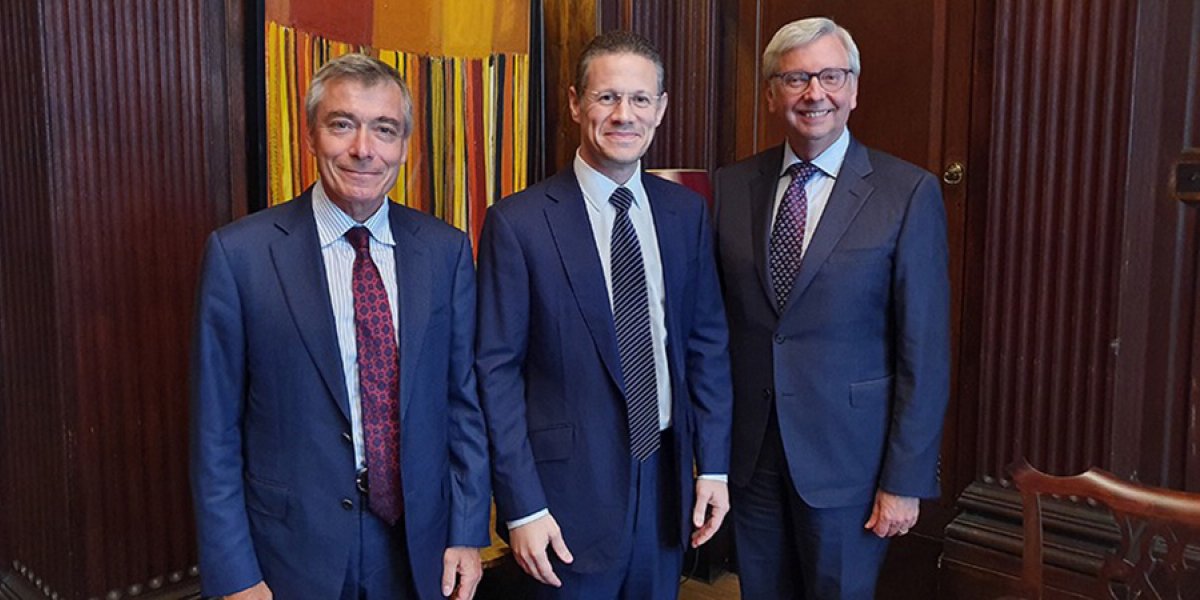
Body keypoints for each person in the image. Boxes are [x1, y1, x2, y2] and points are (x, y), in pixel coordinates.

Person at [189, 53, 490, 600]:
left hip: (416, 546)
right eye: (342, 124)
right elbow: (215, 431)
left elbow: (461, 402)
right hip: (289, 552)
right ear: (310, 135)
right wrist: (235, 574)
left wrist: (468, 533)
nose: (364, 149)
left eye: (385, 129)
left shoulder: (445, 251)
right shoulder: (240, 256)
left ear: (404, 145)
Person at [475, 30, 733, 600]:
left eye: (640, 99)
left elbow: (705, 346)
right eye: (606, 97)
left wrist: (711, 467)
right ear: (575, 103)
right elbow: (496, 374)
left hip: (666, 487)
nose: (624, 115)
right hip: (562, 503)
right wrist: (521, 506)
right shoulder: (517, 224)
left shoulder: (685, 214)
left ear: (661, 109)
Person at [713, 17, 951, 599]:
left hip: (853, 466)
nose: (814, 93)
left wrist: (905, 479)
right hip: (753, 458)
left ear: (854, 89)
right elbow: (714, 330)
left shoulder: (907, 192)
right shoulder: (730, 186)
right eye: (795, 79)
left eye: (830, 76)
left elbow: (926, 348)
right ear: (771, 94)